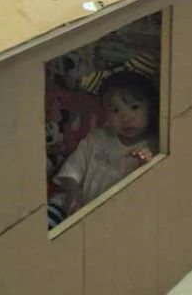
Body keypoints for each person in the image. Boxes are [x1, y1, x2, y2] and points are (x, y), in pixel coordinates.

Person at [47, 71, 158, 228]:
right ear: (105, 113)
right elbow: (72, 170)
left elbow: (148, 191)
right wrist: (74, 193)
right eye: (115, 110)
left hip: (113, 218)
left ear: (151, 108)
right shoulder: (97, 138)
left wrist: (144, 164)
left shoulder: (154, 145)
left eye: (135, 107)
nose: (126, 118)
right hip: (74, 205)